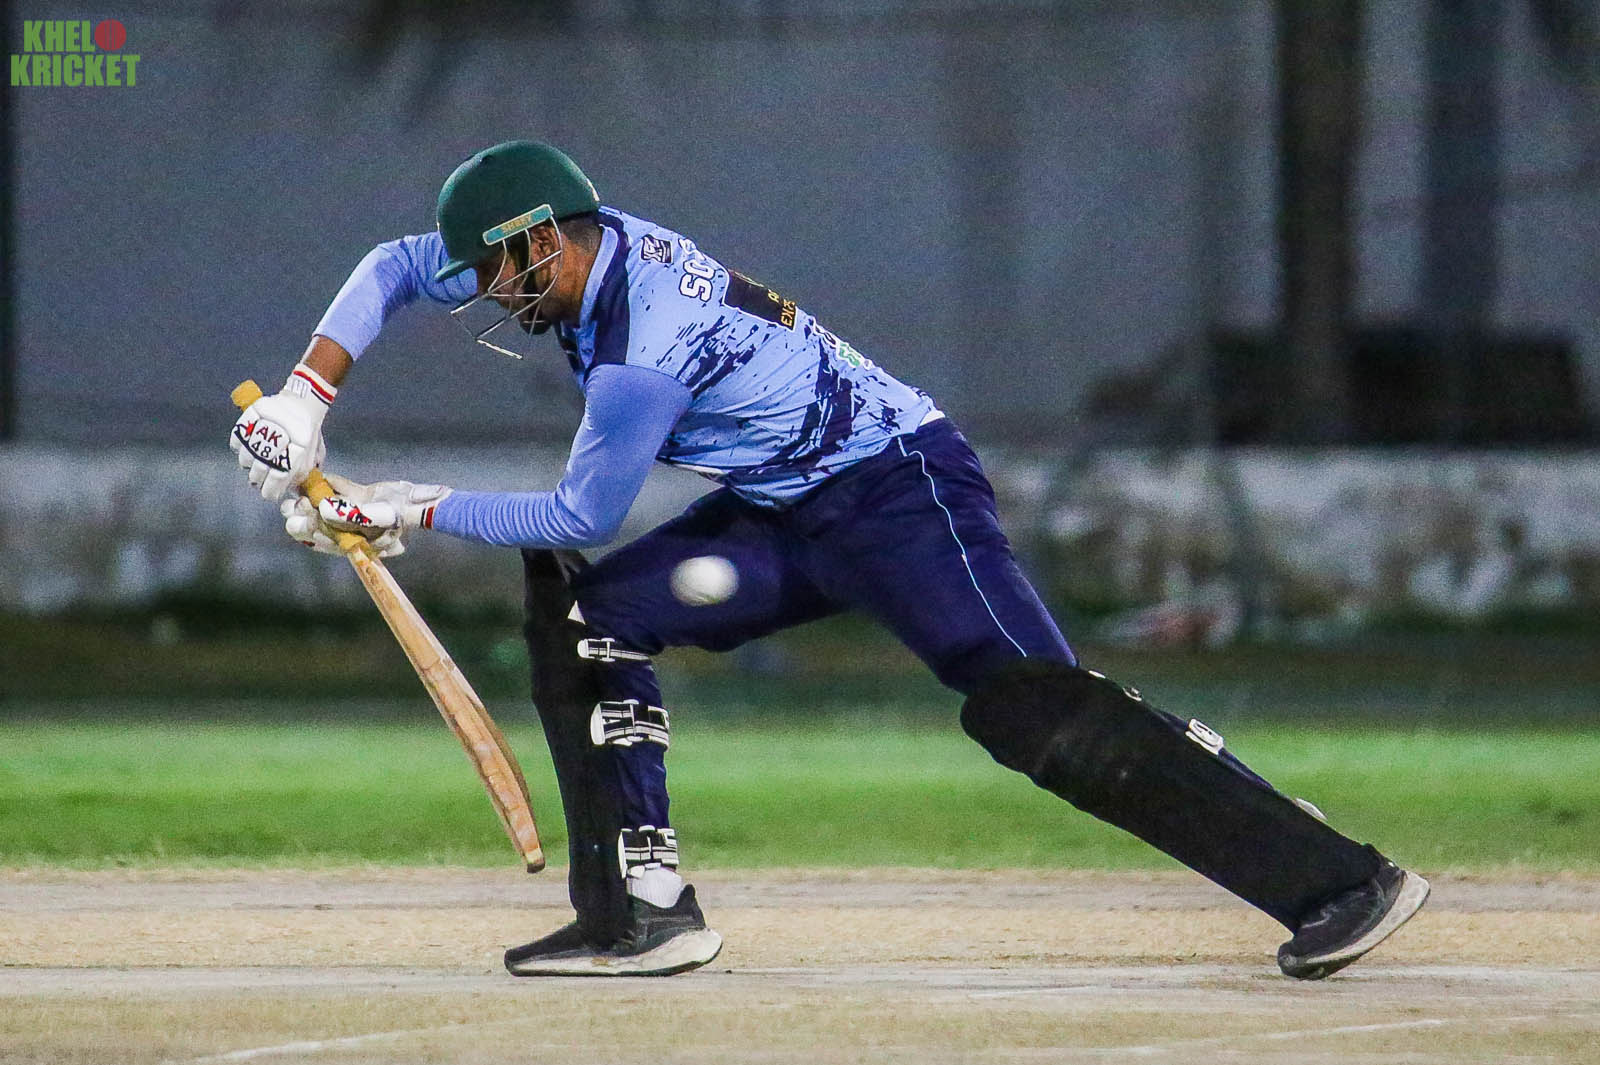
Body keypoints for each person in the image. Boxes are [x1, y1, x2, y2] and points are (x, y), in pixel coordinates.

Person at [230, 140, 1428, 979]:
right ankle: (641, 910)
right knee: (595, 620)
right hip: (782, 512)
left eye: (497, 270)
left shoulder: (647, 338)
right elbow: (393, 266)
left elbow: (580, 510)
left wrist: (407, 508)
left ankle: (1335, 877)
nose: (487, 292)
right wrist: (304, 398)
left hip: (900, 487)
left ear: (542, 241)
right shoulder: (561, 250)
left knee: (1033, 708)